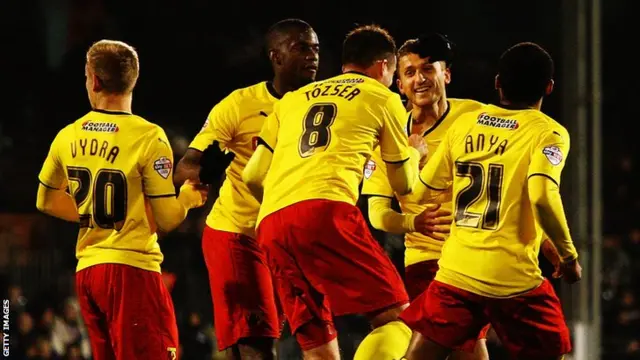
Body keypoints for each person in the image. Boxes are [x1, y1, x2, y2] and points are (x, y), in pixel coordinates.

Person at [243, 24, 442, 360]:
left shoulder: (291, 100)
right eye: (394, 72)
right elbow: (404, 183)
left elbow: (252, 176)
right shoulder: (382, 97)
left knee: (318, 345)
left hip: (272, 223)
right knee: (396, 319)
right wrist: (416, 152)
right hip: (326, 211)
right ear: (383, 66)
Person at [400, 42, 582, 360]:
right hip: (513, 279)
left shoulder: (465, 124)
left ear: (498, 82)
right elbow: (541, 194)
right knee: (552, 352)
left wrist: (416, 155)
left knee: (418, 356)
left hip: (457, 272)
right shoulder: (549, 133)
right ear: (550, 87)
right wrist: (567, 256)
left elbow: (420, 190)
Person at [36, 39, 207, 360]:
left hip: (88, 272)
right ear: (133, 79)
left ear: (95, 80)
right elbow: (168, 218)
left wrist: (94, 214)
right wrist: (187, 199)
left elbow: (45, 201)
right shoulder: (148, 136)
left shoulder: (68, 135)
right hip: (132, 271)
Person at [173, 19, 320, 359]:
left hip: (286, 240)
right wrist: (206, 171)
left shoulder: (323, 105)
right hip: (239, 235)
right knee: (259, 344)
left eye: (315, 48)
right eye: (300, 47)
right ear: (276, 56)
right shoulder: (240, 105)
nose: (312, 55)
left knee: (253, 345)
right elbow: (186, 167)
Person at [360, 33, 489, 360]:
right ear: (399, 84)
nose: (420, 79)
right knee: (465, 345)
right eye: (410, 72)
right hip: (427, 262)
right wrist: (414, 221)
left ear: (445, 74)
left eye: (428, 69)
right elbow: (376, 213)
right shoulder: (388, 133)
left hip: (480, 255)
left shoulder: (477, 117)